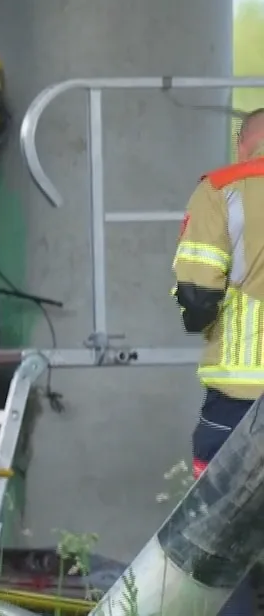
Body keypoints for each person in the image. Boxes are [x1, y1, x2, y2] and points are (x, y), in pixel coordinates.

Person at [171, 107, 264, 616]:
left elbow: (198, 295)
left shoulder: (221, 188)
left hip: (238, 406)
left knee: (221, 553)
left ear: (242, 141)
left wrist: (196, 315)